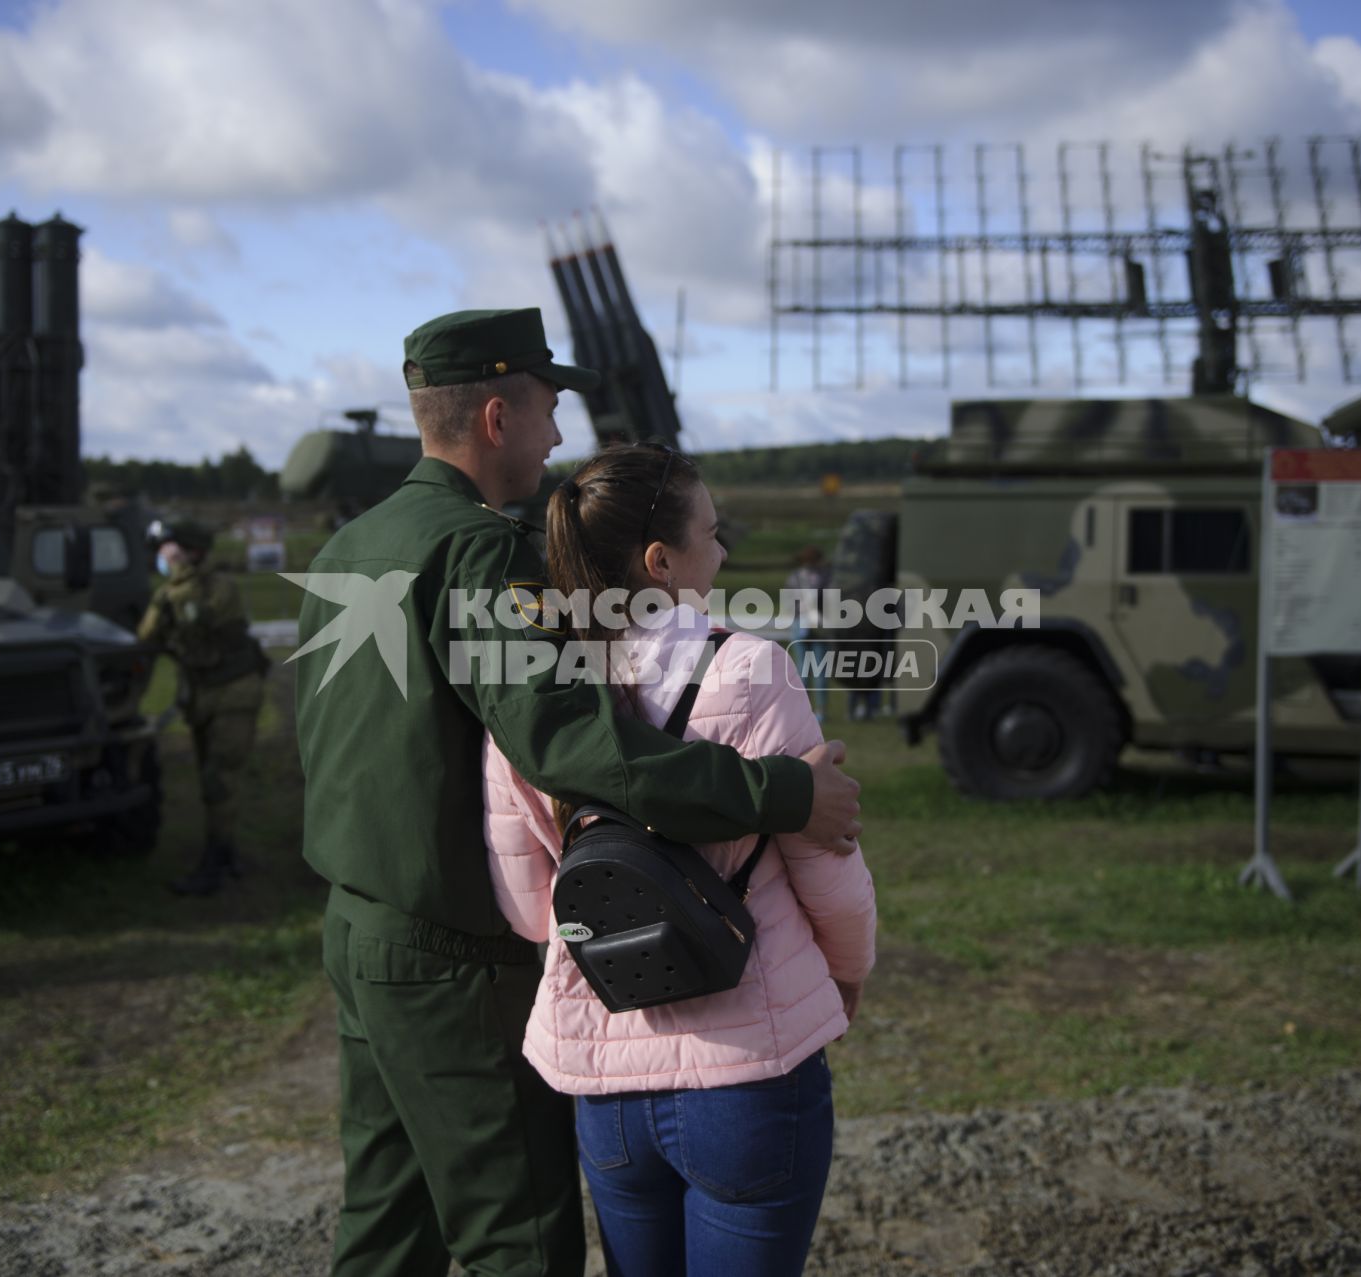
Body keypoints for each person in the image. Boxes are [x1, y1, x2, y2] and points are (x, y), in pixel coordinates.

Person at [294, 307, 863, 1277]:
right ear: (495, 416)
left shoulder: (359, 540)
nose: (560, 434)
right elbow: (564, 738)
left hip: (358, 927)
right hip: (450, 958)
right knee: (523, 1240)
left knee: (388, 1224)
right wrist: (777, 793)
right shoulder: (480, 551)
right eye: (551, 408)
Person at [485, 445, 877, 1276]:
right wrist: (849, 972)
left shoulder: (532, 691)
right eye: (712, 532)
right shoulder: (752, 668)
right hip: (749, 1072)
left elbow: (529, 903)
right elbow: (827, 868)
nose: (724, 550)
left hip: (604, 1081)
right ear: (661, 562)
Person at [137, 518, 269, 896]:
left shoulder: (217, 586)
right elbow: (146, 635)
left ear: (189, 552)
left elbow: (203, 618)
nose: (163, 557)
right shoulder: (170, 592)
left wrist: (177, 576)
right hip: (202, 695)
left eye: (169, 550)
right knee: (211, 778)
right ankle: (223, 852)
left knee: (220, 780)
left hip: (234, 693)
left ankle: (217, 861)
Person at [784, 545, 830, 722]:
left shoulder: (795, 577)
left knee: (809, 670)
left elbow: (789, 602)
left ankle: (810, 710)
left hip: (806, 624)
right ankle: (816, 710)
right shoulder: (825, 577)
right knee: (814, 670)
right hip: (814, 624)